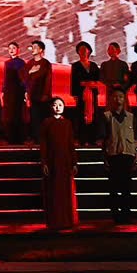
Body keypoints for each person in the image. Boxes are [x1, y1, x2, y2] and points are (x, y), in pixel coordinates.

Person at [39, 98, 77, 230]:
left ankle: (66, 221)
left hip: (65, 161)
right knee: (53, 192)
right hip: (52, 160)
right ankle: (54, 221)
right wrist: (44, 162)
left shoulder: (67, 123)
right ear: (51, 107)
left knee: (65, 192)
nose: (58, 107)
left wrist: (74, 162)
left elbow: (70, 143)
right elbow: (43, 144)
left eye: (60, 105)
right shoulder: (47, 122)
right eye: (55, 105)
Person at [101, 96, 137, 221]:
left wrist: (135, 154)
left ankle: (126, 213)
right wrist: (104, 156)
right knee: (113, 187)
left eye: (121, 97)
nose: (118, 99)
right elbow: (103, 138)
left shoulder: (131, 117)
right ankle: (115, 214)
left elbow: (135, 138)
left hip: (127, 154)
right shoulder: (106, 116)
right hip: (113, 155)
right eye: (115, 96)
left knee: (126, 187)